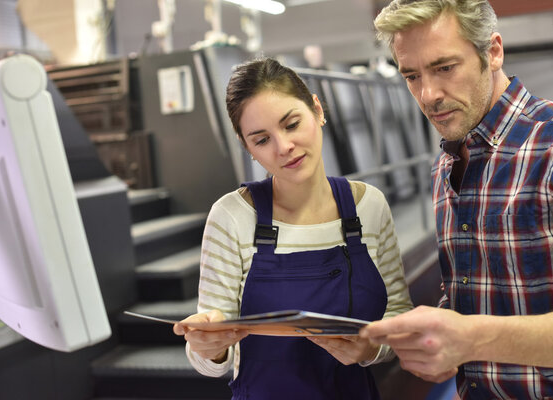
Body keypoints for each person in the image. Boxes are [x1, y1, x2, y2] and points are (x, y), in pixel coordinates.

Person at [360, 1, 553, 399]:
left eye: (444, 68)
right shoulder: (447, 164)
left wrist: (471, 339)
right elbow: (477, 295)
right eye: (412, 76)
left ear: (493, 51)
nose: (429, 94)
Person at [173, 57, 413, 399]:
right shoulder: (231, 217)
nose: (283, 147)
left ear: (317, 109)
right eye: (261, 140)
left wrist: (370, 350)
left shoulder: (369, 207)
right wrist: (209, 345)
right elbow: (211, 362)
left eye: (291, 124)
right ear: (248, 149)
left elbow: (398, 317)